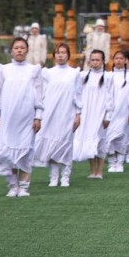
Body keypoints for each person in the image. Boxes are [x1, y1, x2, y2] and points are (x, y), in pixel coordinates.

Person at [0, 37, 43, 197]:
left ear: (27, 50)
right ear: (11, 50)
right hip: (8, 118)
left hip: (27, 117)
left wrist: (38, 116)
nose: (19, 50)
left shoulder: (34, 70)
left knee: (25, 151)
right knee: (8, 151)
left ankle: (24, 186)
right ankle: (12, 185)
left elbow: (39, 95)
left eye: (22, 48)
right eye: (16, 48)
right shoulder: (4, 69)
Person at [33, 43, 82, 187]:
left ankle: (66, 176)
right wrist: (39, 114)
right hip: (51, 113)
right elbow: (41, 94)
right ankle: (53, 176)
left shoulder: (74, 73)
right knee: (52, 144)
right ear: (54, 55)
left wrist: (78, 114)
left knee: (66, 144)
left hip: (67, 113)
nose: (60, 55)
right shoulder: (47, 73)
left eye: (63, 52)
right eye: (58, 52)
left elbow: (78, 95)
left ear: (68, 55)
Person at [72, 49, 113, 179]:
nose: (95, 62)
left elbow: (111, 98)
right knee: (89, 140)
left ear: (103, 61)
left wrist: (107, 116)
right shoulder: (82, 76)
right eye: (93, 60)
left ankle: (100, 171)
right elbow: (77, 94)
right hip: (87, 113)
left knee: (100, 141)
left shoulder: (108, 77)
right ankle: (92, 171)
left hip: (101, 114)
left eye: (98, 60)